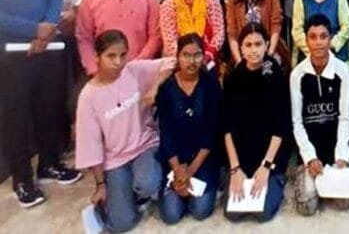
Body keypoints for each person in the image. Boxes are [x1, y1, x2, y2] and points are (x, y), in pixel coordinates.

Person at [0, 0, 81, 208]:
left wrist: (46, 27)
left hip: (47, 49)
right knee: (16, 117)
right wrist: (33, 30)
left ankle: (49, 163)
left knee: (49, 108)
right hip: (11, 56)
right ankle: (22, 178)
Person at [75, 30, 175, 232]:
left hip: (145, 145)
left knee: (148, 183)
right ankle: (124, 194)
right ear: (97, 57)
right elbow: (90, 144)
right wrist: (100, 184)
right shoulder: (88, 97)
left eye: (123, 55)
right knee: (122, 223)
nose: (118, 62)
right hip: (115, 159)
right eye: (111, 56)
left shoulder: (133, 70)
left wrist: (154, 87)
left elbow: (170, 63)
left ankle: (137, 189)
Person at [223, 23, 293, 223]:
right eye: (248, 45)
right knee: (233, 214)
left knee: (263, 213)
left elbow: (281, 126)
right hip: (242, 154)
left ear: (267, 45)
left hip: (270, 154)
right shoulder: (233, 78)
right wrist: (235, 168)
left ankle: (277, 179)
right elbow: (226, 127)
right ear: (241, 48)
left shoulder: (276, 75)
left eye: (258, 44)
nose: (253, 50)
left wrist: (266, 166)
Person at [290, 14, 349, 216]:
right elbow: (297, 122)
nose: (318, 42)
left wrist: (341, 156)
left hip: (335, 148)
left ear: (331, 38)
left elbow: (345, 118)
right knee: (307, 208)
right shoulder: (297, 75)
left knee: (344, 203)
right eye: (313, 37)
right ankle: (305, 173)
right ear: (306, 40)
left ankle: (344, 167)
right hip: (311, 150)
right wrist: (310, 158)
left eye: (323, 36)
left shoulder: (342, 71)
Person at [156, 34, 222, 224]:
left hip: (203, 158)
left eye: (197, 55)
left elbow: (211, 133)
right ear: (178, 56)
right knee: (170, 215)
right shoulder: (166, 89)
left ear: (203, 56)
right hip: (175, 158)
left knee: (200, 211)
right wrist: (178, 170)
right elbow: (166, 133)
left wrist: (190, 171)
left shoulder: (211, 85)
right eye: (186, 55)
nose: (192, 61)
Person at [159, 0, 224, 70]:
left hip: (208, 58)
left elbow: (219, 33)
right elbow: (170, 42)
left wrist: (207, 55)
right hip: (179, 61)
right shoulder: (169, 5)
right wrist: (188, 59)